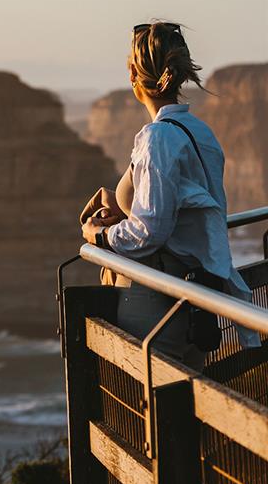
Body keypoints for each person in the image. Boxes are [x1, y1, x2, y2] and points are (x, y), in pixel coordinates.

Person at [81, 21, 260, 371]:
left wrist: (100, 235)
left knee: (149, 408)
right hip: (196, 295)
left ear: (133, 73)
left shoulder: (157, 138)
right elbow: (182, 210)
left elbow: (150, 232)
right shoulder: (199, 131)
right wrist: (123, 211)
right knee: (186, 404)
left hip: (155, 298)